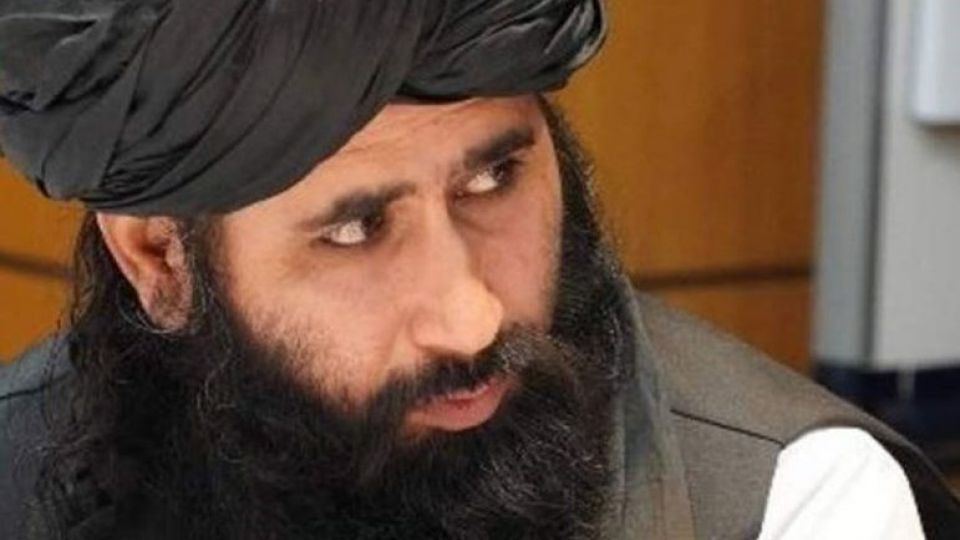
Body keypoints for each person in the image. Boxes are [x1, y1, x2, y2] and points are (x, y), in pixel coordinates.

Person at [0, 1, 957, 538]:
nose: (471, 317)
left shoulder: (799, 505)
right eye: (356, 230)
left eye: (494, 180)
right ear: (160, 258)